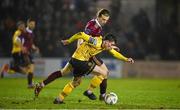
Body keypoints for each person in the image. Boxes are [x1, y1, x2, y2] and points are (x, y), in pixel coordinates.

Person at [35, 32, 134, 104]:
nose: (111, 47)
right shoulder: (96, 42)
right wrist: (69, 41)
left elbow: (114, 53)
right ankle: (89, 91)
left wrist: (126, 59)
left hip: (74, 59)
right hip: (81, 61)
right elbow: (81, 34)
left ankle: (58, 99)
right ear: (107, 41)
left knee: (73, 80)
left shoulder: (104, 45)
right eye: (111, 44)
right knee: (104, 73)